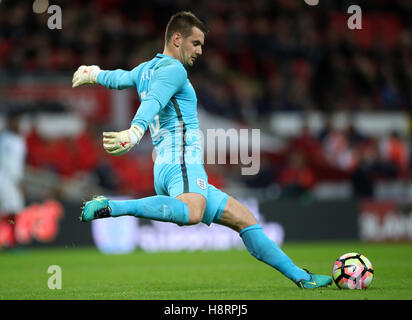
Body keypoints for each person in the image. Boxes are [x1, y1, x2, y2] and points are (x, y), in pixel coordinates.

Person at [72, 11, 331, 289]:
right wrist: (135, 131)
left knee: (244, 219)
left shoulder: (145, 70)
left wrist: (93, 73)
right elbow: (155, 100)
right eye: (195, 43)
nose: (200, 51)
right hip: (182, 161)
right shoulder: (174, 69)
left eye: (202, 45)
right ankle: (112, 206)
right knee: (192, 213)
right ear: (176, 38)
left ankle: (301, 277)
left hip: (170, 165)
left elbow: (120, 77)